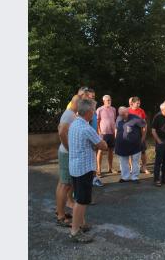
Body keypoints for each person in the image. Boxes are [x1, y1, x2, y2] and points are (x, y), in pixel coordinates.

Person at [67, 98, 108, 243]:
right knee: (81, 201)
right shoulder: (86, 128)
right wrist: (101, 141)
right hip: (84, 169)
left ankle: (79, 225)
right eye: (94, 111)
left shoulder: (74, 124)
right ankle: (75, 231)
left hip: (74, 167)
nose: (94, 114)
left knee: (79, 198)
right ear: (90, 112)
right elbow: (103, 146)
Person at [55, 94, 80, 227]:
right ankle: (60, 216)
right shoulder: (69, 114)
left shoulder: (71, 113)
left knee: (64, 184)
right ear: (75, 103)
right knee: (65, 185)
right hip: (66, 153)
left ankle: (60, 211)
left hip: (65, 152)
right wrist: (68, 148)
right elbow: (61, 131)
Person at [114, 106, 146, 183]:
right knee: (123, 161)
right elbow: (116, 128)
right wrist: (116, 138)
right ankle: (125, 177)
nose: (123, 116)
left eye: (124, 114)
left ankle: (135, 177)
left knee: (135, 161)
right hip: (122, 145)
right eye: (121, 115)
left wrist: (143, 138)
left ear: (127, 112)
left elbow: (144, 126)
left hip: (135, 145)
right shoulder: (118, 118)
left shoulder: (136, 118)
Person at [96, 95, 117, 176]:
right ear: (103, 101)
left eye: (110, 100)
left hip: (111, 133)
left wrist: (115, 132)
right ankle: (99, 169)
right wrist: (99, 132)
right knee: (100, 151)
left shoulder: (113, 109)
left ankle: (110, 168)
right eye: (107, 100)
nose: (109, 101)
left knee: (111, 151)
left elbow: (113, 120)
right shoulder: (99, 109)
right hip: (103, 134)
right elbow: (97, 121)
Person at [128, 97, 149, 175]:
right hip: (131, 135)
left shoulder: (141, 111)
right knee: (130, 152)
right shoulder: (128, 111)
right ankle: (132, 168)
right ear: (132, 103)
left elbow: (144, 124)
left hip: (140, 134)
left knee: (143, 151)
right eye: (137, 103)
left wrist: (143, 136)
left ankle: (144, 167)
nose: (139, 104)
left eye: (139, 103)